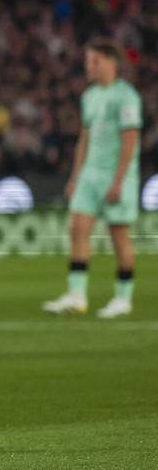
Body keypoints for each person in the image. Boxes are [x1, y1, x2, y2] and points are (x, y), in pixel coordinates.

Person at [43, 38, 142, 319]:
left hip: (116, 175)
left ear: (111, 63)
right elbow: (84, 140)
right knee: (77, 228)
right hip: (90, 174)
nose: (89, 66)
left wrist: (119, 180)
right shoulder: (89, 96)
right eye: (88, 61)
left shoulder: (126, 96)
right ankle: (77, 295)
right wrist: (75, 177)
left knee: (119, 236)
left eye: (95, 61)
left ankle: (123, 298)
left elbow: (130, 140)